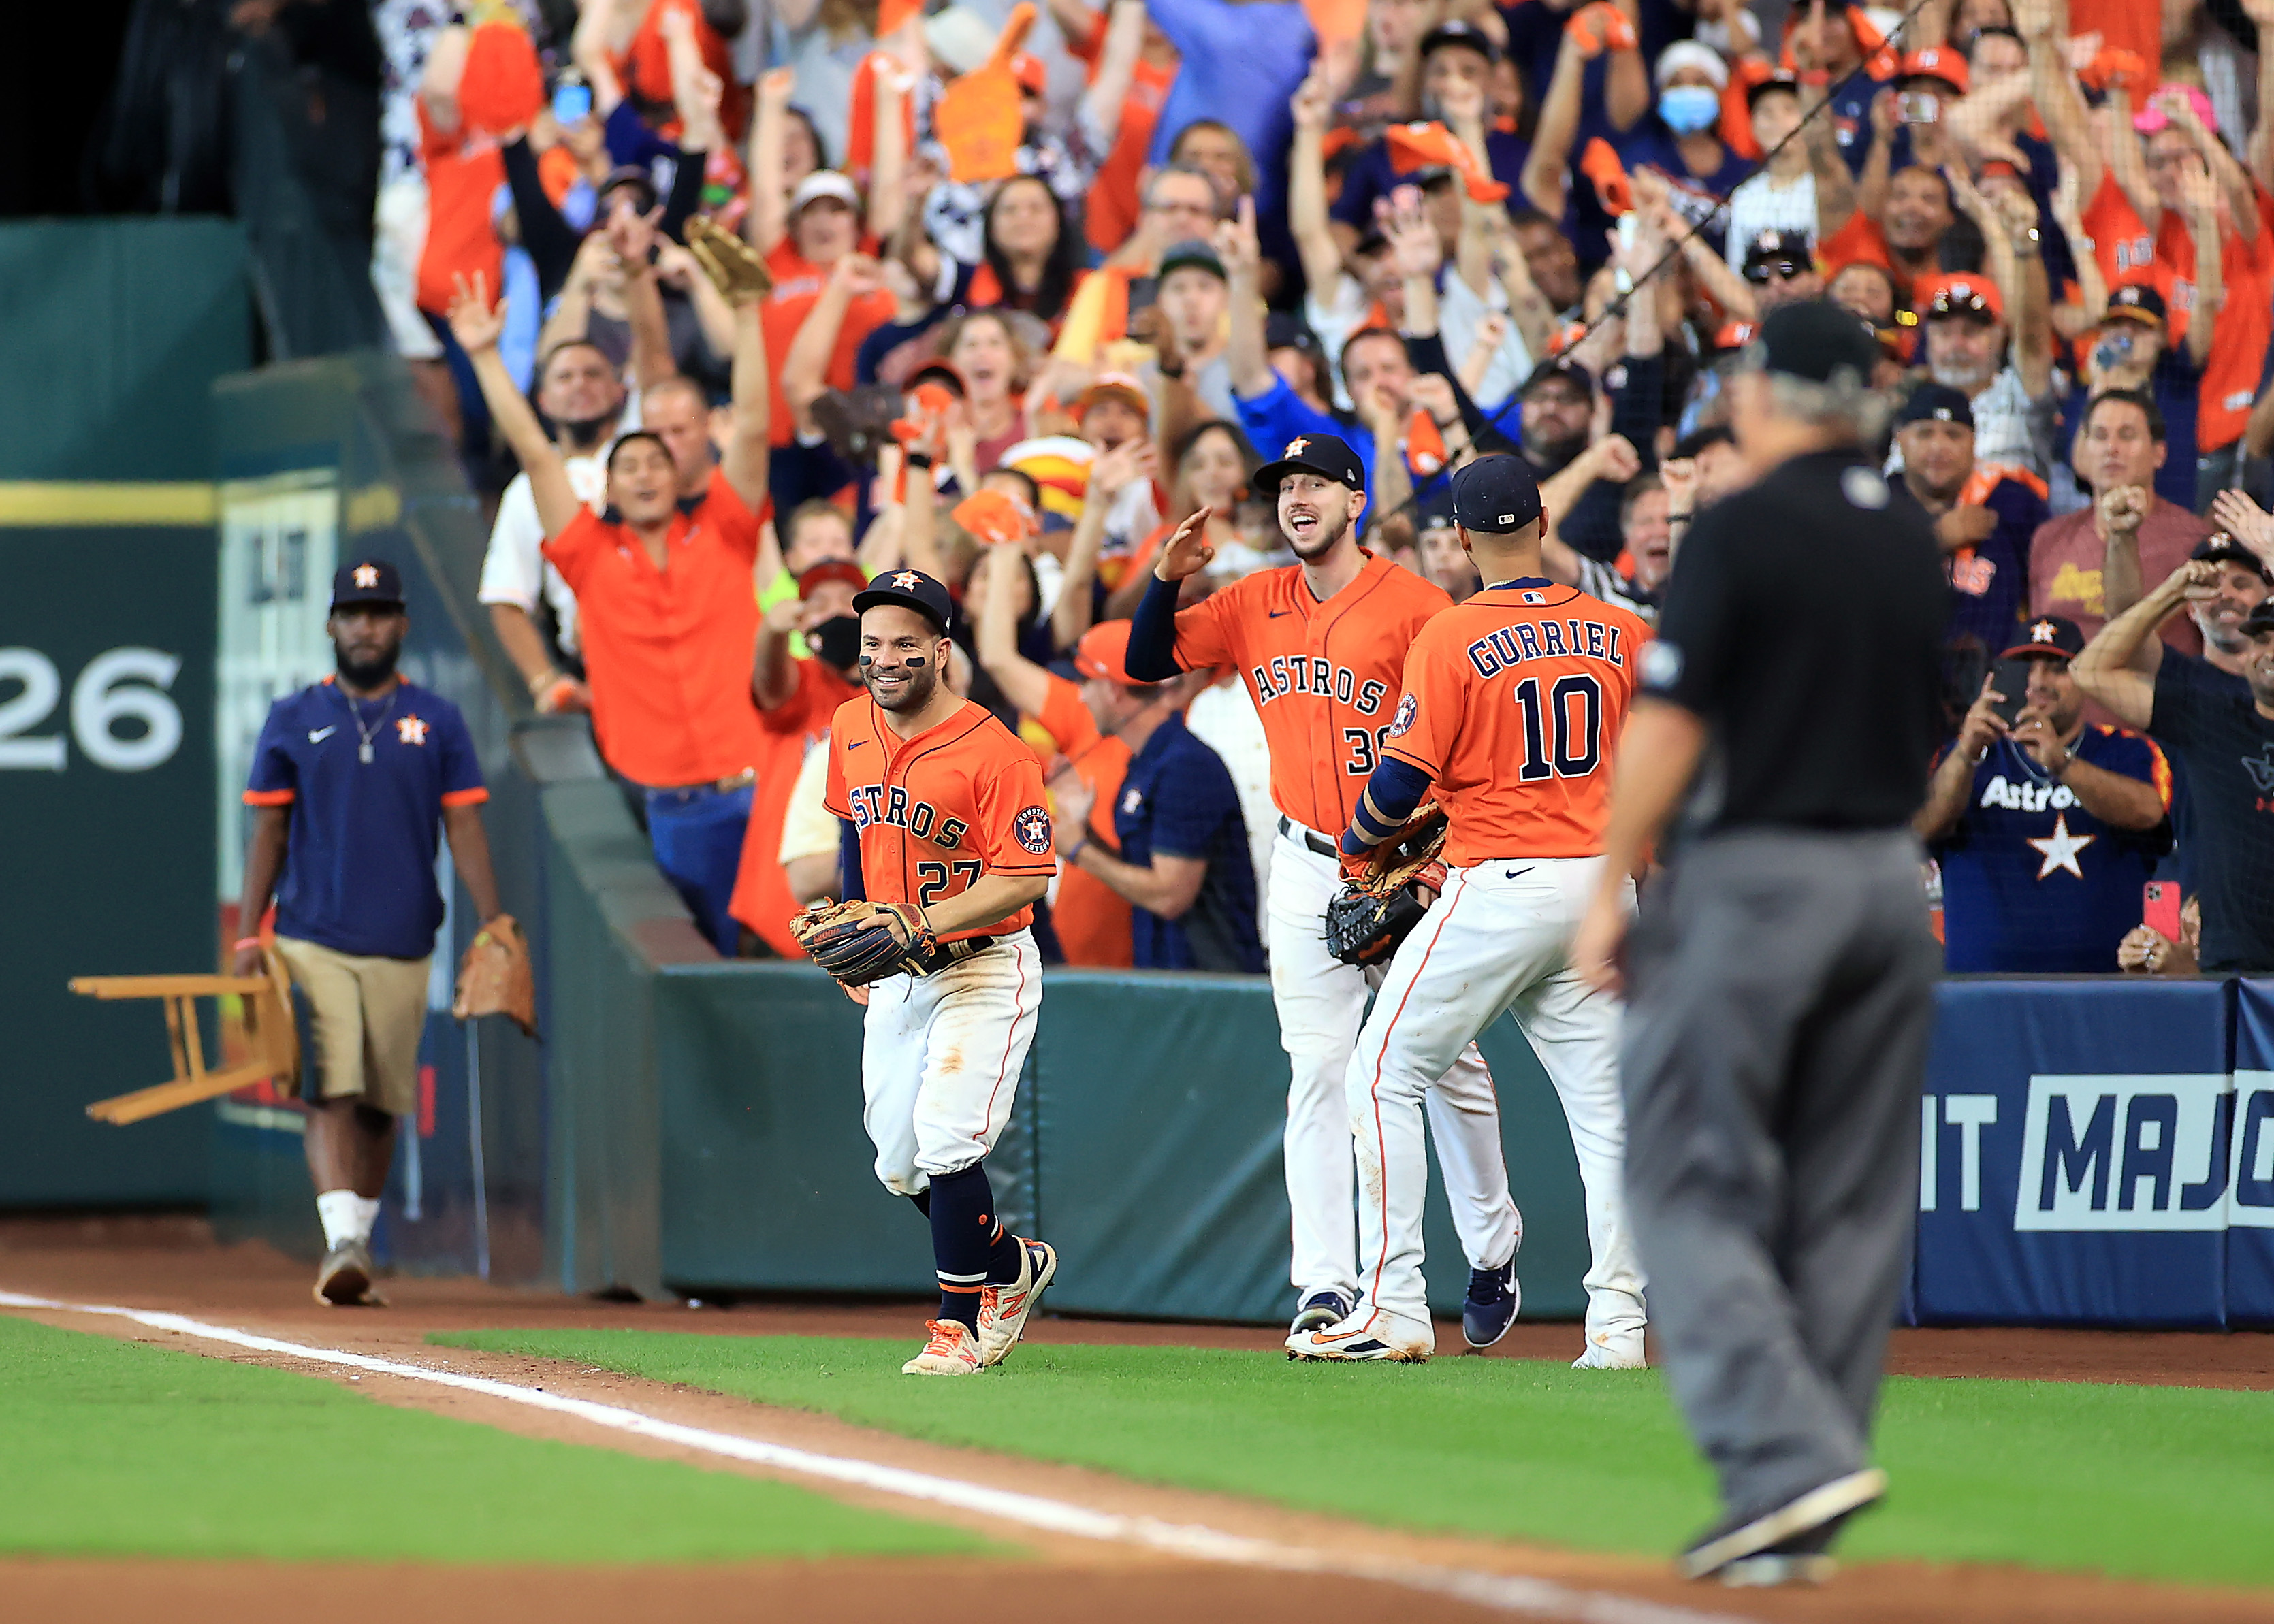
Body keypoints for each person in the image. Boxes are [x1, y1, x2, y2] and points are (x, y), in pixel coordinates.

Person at [1571, 302, 1946, 1585]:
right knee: (1845, 1199)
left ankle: (1781, 1458)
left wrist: (1608, 885)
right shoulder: (1910, 533)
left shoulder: (1740, 524)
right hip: (1888, 882)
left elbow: (1669, 725)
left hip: (1758, 878)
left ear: (1770, 391)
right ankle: (1807, 1499)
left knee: (1681, 1173)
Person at [1125, 433, 1521, 1346]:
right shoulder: (1254, 598)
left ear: (1356, 500)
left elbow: (1475, 729)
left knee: (1446, 1060)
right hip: (1305, 861)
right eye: (1286, 487)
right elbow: (1148, 662)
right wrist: (1163, 579)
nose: (1296, 499)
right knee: (1318, 1068)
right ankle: (1328, 1283)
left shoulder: (1420, 607)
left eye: (1315, 484)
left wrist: (1442, 851)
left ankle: (1493, 1245)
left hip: (1409, 856)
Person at [1307, 454, 1650, 1367]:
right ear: (1543, 518)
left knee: (1381, 1073)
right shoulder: (1622, 632)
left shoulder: (1452, 634)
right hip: (1602, 889)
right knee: (1610, 1116)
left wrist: (1357, 846)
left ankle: (1394, 1305)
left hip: (1502, 882)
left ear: (1459, 538)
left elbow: (1398, 782)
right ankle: (1618, 1328)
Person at [449, 269, 772, 955]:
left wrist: (746, 316)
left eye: (657, 461)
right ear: (607, 490)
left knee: (801, 955)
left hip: (762, 785)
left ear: (681, 472)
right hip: (667, 801)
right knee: (701, 966)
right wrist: (482, 356)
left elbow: (753, 431)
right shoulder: (589, 557)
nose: (646, 473)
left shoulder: (723, 531)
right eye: (629, 468)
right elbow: (538, 456)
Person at [234, 559, 505, 1306]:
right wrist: (249, 932)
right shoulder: (292, 716)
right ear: (330, 624)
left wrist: (495, 920)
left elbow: (464, 821)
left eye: (380, 612)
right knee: (330, 1085)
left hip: (404, 935)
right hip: (311, 931)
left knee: (383, 1101)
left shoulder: (437, 719)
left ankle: (357, 1237)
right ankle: (343, 1240)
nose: (366, 626)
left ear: (402, 625)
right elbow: (269, 827)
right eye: (353, 612)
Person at [819, 568, 1061, 1374]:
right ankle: (1011, 1268)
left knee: (947, 1142)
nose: (885, 658)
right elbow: (858, 832)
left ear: (942, 651)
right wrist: (856, 923)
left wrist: (913, 923)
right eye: (873, 644)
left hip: (981, 965)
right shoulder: (851, 724)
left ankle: (955, 1325)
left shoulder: (998, 752)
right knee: (897, 1164)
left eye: (904, 644)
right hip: (898, 973)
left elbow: (1026, 874)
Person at [1916, 617, 2173, 971]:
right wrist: (1966, 752)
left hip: (2104, 992)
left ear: (2085, 677)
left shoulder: (2126, 751)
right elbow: (1921, 829)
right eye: (2026, 669)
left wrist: (2063, 764)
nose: (2038, 682)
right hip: (1982, 993)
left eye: (2057, 669)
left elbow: (2149, 812)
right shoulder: (1962, 759)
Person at [2072, 561, 2274, 973]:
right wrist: (2170, 592)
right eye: (2262, 639)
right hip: (2233, 968)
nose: (2268, 653)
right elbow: (2089, 671)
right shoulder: (2210, 716)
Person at [1051, 621, 1264, 973]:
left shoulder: (1184, 766)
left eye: (1086, 682)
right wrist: (1086, 835)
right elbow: (1143, 872)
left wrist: (1079, 850)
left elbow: (1170, 896)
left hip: (1212, 985)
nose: (1081, 696)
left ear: (1113, 691)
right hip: (1172, 974)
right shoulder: (1148, 760)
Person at [475, 339, 626, 712]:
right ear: (542, 399)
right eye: (565, 377)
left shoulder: (649, 462)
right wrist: (545, 681)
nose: (580, 385)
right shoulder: (528, 489)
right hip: (596, 669)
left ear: (619, 390)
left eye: (593, 374)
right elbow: (506, 596)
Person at [2029, 390, 2213, 654]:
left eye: (2127, 436)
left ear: (2159, 453)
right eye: (2100, 436)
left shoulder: (2193, 540)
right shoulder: (2049, 538)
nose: (2111, 448)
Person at [1891, 383, 2048, 691]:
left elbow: (2047, 587)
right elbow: (1848, 586)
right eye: (1925, 433)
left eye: (1953, 434)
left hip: (1990, 689)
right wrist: (1935, 539)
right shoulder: (1876, 500)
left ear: (1974, 442)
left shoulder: (2013, 501)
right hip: (1893, 685)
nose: (1938, 447)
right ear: (1901, 439)